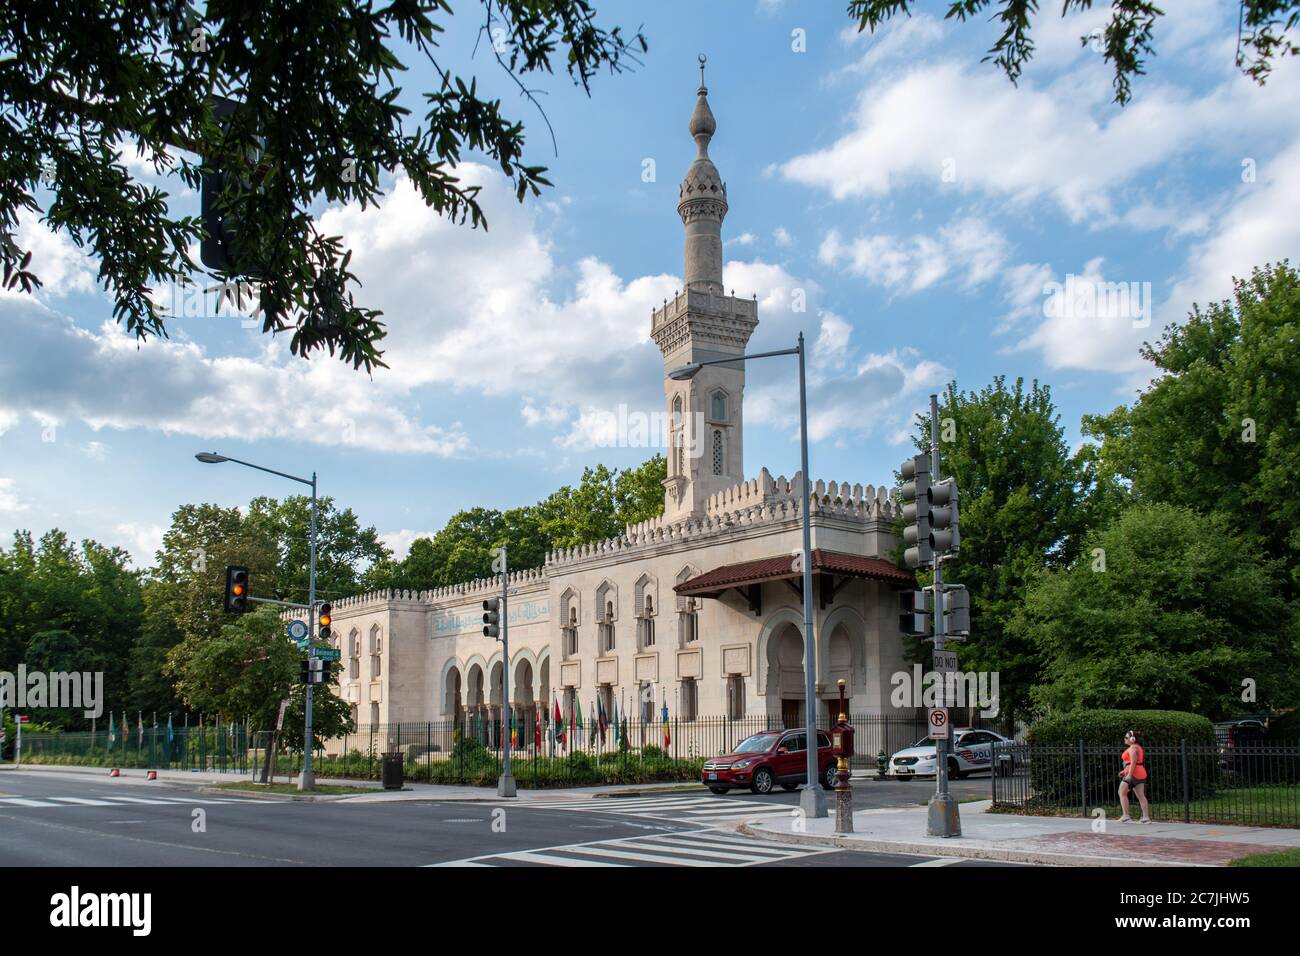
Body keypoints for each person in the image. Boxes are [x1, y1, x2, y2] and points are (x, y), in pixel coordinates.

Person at [1117, 730, 1151, 823]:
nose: (1125, 739)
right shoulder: (1138, 747)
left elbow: (1133, 762)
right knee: (1141, 796)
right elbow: (1133, 763)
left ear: (1132, 739)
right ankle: (1145, 818)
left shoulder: (1132, 748)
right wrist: (1124, 771)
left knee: (1121, 793)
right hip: (1140, 773)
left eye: (1126, 737)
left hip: (1133, 774)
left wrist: (1129, 775)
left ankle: (1126, 816)